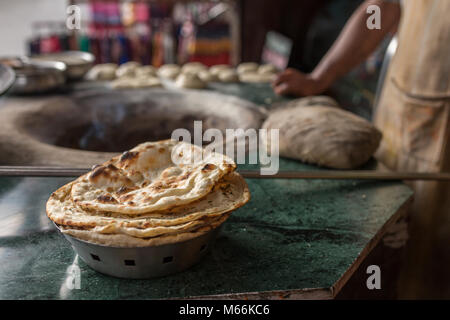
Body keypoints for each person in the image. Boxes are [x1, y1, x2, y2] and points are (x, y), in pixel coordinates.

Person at [273, 0, 450, 298]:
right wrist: (320, 78)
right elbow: (383, 8)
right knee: (385, 249)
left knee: (433, 270)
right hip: (400, 113)